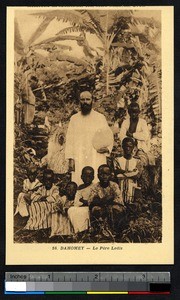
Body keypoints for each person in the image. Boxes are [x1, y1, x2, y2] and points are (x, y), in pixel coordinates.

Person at [65, 91, 114, 185]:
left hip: (95, 155)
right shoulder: (74, 119)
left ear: (92, 101)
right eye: (83, 99)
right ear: (79, 101)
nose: (85, 102)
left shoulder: (100, 118)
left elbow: (108, 135)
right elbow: (70, 140)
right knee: (78, 180)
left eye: (88, 99)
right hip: (79, 156)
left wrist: (107, 149)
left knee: (96, 180)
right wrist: (71, 159)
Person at [88, 164, 125, 233]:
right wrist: (107, 199)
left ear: (110, 175)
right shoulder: (95, 187)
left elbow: (119, 200)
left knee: (116, 209)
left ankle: (116, 232)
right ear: (98, 175)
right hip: (101, 207)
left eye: (107, 174)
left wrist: (103, 201)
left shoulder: (114, 185)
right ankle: (98, 231)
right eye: (102, 174)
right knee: (96, 209)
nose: (104, 176)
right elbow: (91, 201)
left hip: (111, 207)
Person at [114, 137, 143, 204]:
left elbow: (137, 176)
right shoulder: (117, 160)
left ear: (133, 147)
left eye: (130, 146)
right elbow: (117, 175)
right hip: (119, 191)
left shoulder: (137, 161)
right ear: (122, 146)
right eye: (126, 146)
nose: (128, 148)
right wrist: (132, 172)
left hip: (132, 192)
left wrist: (121, 171)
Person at [68, 166, 94, 234]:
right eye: (85, 176)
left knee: (83, 212)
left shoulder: (95, 187)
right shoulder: (80, 187)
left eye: (89, 176)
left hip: (89, 208)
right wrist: (83, 202)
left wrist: (85, 201)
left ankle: (83, 231)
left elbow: (93, 200)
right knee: (71, 210)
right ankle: (77, 231)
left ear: (93, 177)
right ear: (81, 177)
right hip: (80, 206)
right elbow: (77, 201)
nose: (87, 178)